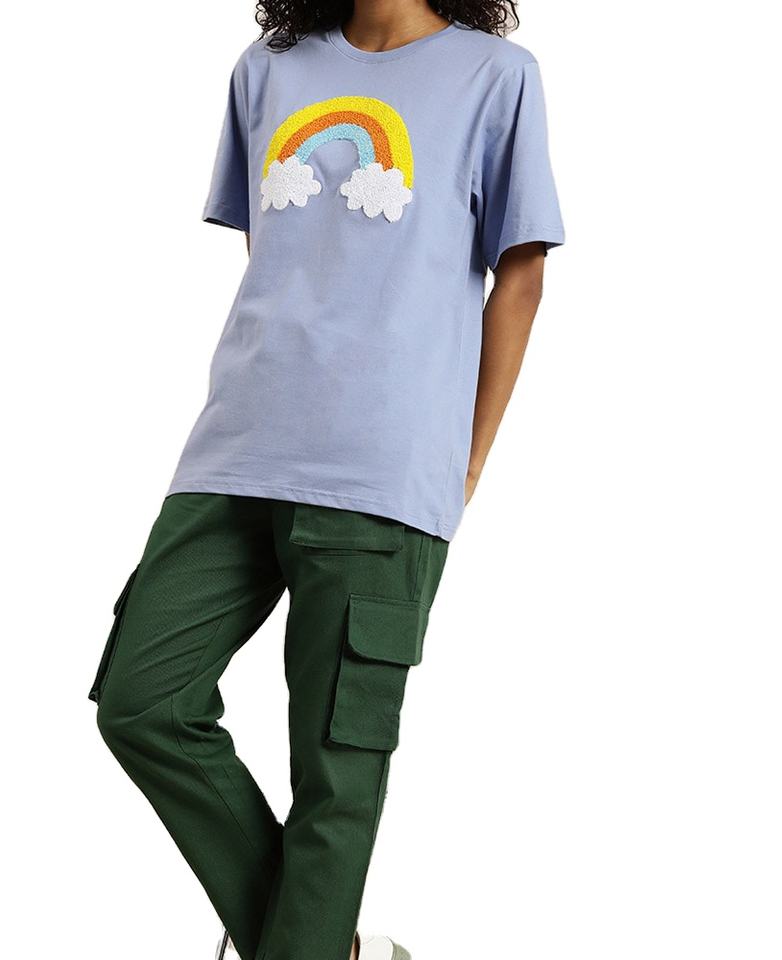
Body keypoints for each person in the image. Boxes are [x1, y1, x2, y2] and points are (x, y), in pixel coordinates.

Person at [89, 1, 563, 958]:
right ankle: (319, 945)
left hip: (381, 466)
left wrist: (467, 456)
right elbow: (281, 255)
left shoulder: (495, 77)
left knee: (336, 772)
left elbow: (520, 275)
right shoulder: (266, 67)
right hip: (234, 450)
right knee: (142, 700)